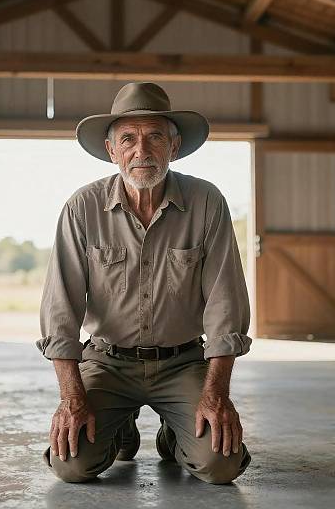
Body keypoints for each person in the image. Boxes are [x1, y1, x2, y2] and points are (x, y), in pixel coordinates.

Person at [36, 81, 252, 484]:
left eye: (155, 136)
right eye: (129, 139)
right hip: (107, 362)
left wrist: (216, 394)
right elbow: (60, 311)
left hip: (183, 362)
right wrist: (72, 398)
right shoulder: (82, 207)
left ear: (173, 146)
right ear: (111, 150)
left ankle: (175, 433)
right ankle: (120, 425)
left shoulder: (207, 202)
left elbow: (226, 304)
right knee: (72, 466)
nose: (142, 150)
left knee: (219, 466)